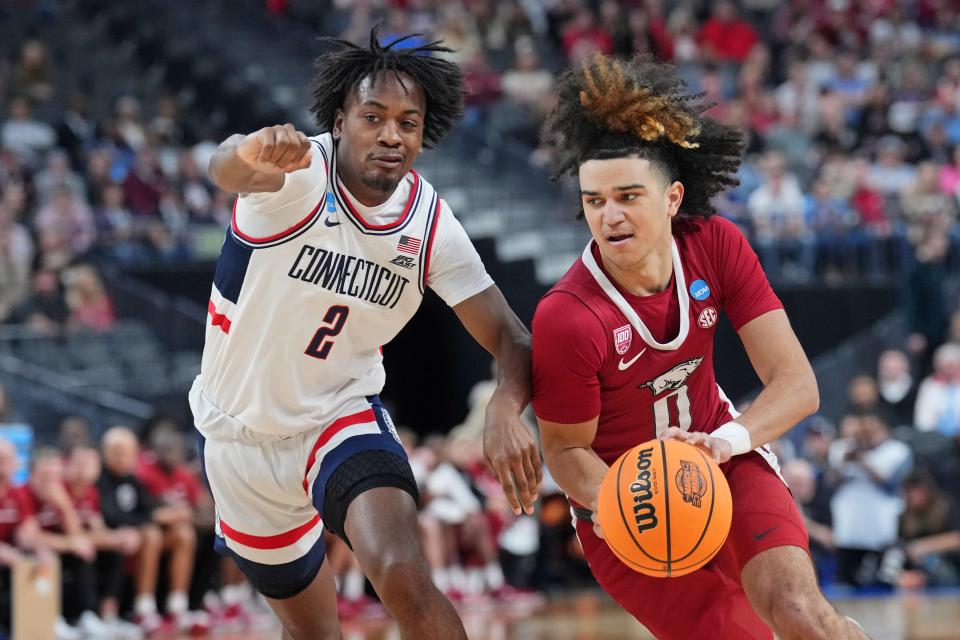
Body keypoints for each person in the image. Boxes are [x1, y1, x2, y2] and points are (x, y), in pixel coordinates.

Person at [189, 29, 539, 640]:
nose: (390, 135)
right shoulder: (296, 177)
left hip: (340, 416)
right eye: (373, 117)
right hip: (237, 438)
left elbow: (513, 337)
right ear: (339, 121)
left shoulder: (429, 221)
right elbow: (225, 170)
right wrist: (247, 151)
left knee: (400, 569)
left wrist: (507, 406)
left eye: (408, 122)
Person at [531, 53, 868, 640]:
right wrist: (626, 494)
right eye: (594, 200)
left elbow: (797, 385)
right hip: (626, 508)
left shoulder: (715, 243)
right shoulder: (568, 316)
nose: (609, 215)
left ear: (671, 198)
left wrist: (723, 442)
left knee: (803, 615)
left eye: (628, 196)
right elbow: (564, 451)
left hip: (724, 457)